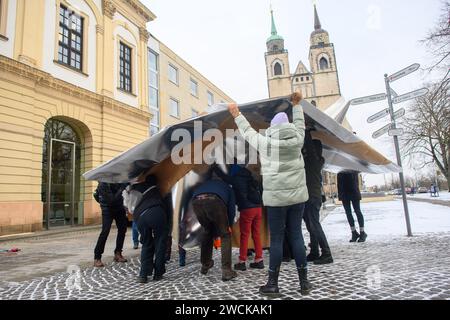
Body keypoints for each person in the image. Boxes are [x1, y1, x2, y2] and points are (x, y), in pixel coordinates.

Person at [228, 91, 312, 296]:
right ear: (288, 126)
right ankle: (304, 283)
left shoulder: (265, 143)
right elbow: (300, 123)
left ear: (273, 128)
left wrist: (236, 114)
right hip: (298, 198)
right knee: (297, 236)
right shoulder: (297, 139)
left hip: (276, 200)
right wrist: (297, 105)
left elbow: (247, 132)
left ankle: (273, 284)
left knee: (276, 239)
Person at [214, 163, 264, 271]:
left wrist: (215, 168)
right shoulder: (250, 176)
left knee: (244, 235)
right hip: (258, 208)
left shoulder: (236, 179)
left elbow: (225, 178)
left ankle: (242, 261)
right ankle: (259, 260)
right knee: (256, 234)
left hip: (247, 209)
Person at [191, 172, 238, 282]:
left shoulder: (204, 184)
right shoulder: (227, 187)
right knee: (225, 235)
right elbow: (231, 210)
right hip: (215, 200)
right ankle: (226, 270)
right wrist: (229, 225)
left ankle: (205, 265)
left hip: (196, 201)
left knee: (207, 232)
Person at [125, 174, 170, 283]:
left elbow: (128, 190)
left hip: (140, 217)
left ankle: (143, 275)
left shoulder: (139, 188)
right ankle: (158, 273)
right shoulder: (160, 191)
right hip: (157, 213)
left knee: (146, 244)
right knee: (160, 243)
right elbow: (168, 209)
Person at [302, 128, 333, 264]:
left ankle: (326, 253)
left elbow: (309, 146)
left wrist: (306, 131)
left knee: (314, 224)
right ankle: (314, 251)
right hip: (311, 196)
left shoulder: (313, 160)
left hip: (312, 197)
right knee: (310, 225)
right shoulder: (317, 161)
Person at [93, 183, 129, 267]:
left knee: (123, 229)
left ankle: (118, 253)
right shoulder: (103, 184)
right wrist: (121, 188)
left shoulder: (117, 179)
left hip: (119, 207)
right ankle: (97, 257)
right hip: (107, 209)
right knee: (105, 231)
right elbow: (111, 200)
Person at [337, 171, 367, 242]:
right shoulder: (339, 165)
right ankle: (354, 232)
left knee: (357, 211)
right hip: (343, 191)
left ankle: (362, 232)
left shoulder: (352, 164)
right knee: (348, 213)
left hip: (353, 190)